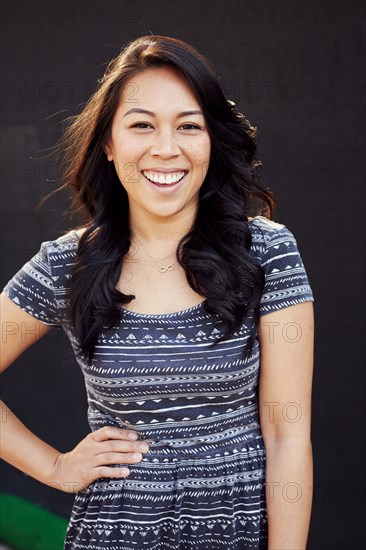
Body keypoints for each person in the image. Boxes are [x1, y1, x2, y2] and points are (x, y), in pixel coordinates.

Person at [0, 35, 315, 550]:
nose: (166, 148)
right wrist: (55, 466)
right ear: (108, 143)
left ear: (212, 141)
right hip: (115, 534)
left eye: (188, 126)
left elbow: (287, 433)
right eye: (142, 125)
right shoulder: (68, 264)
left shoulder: (267, 251)